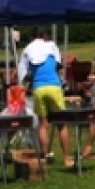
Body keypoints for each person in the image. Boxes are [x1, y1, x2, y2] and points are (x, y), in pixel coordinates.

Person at [16, 27, 70, 164]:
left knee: (43, 124)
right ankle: (66, 158)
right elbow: (58, 66)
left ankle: (44, 157)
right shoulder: (51, 46)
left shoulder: (28, 49)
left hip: (38, 87)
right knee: (62, 124)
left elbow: (25, 74)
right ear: (44, 35)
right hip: (54, 86)